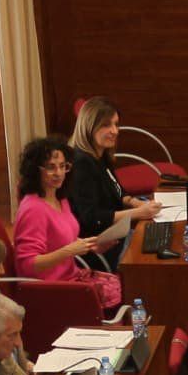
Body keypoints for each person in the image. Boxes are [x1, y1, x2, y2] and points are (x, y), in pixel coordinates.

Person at [14, 135, 127, 310]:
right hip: (53, 290)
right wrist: (69, 251)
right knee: (125, 293)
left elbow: (61, 239)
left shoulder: (60, 198)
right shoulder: (33, 209)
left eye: (63, 166)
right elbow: (28, 265)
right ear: (35, 170)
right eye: (51, 167)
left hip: (70, 278)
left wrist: (92, 246)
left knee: (128, 284)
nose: (58, 173)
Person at [60, 96, 157, 274]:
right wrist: (138, 213)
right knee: (155, 258)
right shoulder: (81, 164)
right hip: (100, 248)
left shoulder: (100, 154)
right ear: (89, 127)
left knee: (161, 233)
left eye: (116, 124)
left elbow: (118, 191)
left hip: (116, 234)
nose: (114, 131)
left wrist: (137, 203)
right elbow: (92, 217)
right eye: (106, 125)